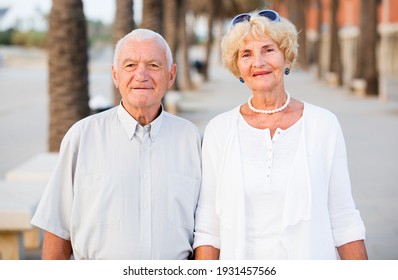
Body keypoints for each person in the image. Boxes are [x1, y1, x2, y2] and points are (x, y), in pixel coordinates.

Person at [193, 9, 368, 260]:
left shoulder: (323, 125)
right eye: (246, 54)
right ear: (237, 67)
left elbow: (343, 217)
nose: (259, 62)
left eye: (268, 50)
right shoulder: (219, 131)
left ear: (286, 57)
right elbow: (209, 227)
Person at [31, 29, 202, 260]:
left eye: (153, 65)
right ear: (115, 75)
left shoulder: (192, 139)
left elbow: (205, 231)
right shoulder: (82, 137)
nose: (141, 75)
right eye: (130, 65)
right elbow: (57, 230)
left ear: (171, 75)